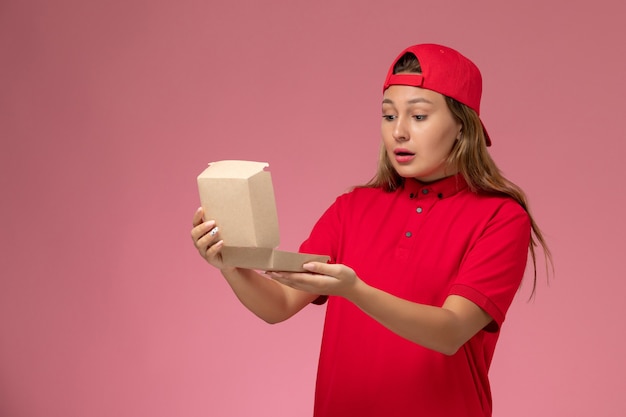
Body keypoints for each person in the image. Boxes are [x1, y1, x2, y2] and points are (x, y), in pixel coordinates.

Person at [191, 43, 552, 417]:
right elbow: (278, 304)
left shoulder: (501, 218)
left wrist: (355, 291)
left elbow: (450, 331)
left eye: (419, 116)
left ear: (462, 124)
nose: (399, 132)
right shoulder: (351, 208)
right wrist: (230, 263)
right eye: (388, 115)